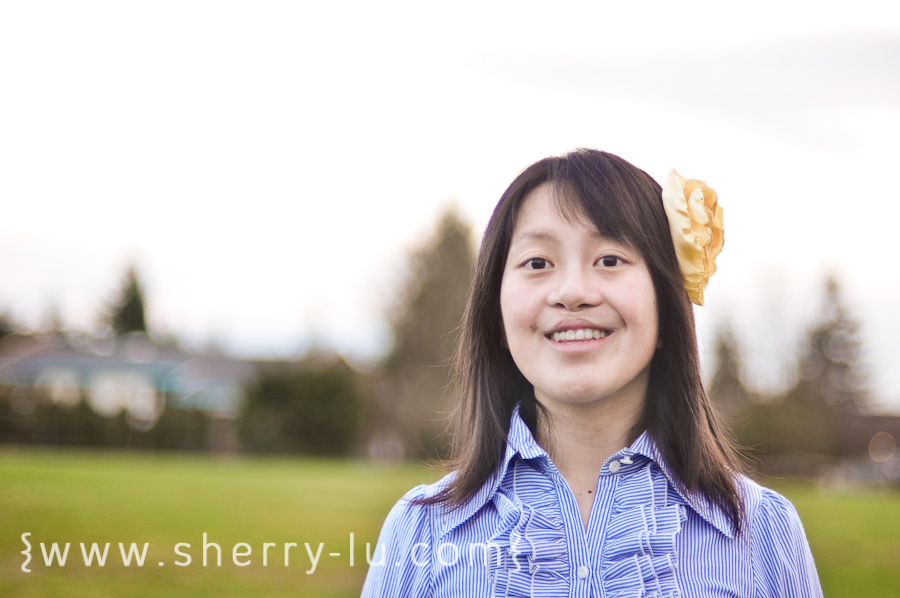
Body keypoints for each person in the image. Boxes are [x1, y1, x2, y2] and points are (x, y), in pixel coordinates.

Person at [361, 149, 822, 597]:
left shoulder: (763, 532)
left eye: (610, 259)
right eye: (537, 263)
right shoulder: (418, 531)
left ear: (666, 306)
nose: (573, 292)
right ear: (496, 313)